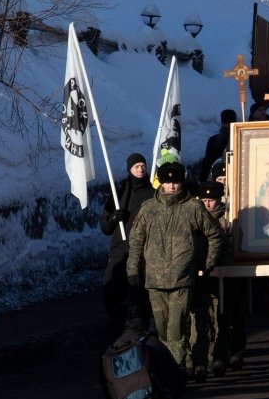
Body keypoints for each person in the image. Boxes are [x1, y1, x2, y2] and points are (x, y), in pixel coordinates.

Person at [126, 161, 224, 380]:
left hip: (182, 279)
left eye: (176, 182)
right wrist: (133, 270)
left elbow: (214, 235)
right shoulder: (149, 208)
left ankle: (175, 372)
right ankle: (172, 368)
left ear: (182, 183)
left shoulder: (193, 207)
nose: (171, 186)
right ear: (161, 183)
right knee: (162, 331)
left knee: (176, 330)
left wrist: (206, 264)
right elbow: (136, 240)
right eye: (167, 182)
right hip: (154, 280)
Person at [100, 153, 156, 336]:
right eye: (136, 166)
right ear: (129, 169)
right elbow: (105, 227)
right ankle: (119, 326)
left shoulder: (152, 194)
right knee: (112, 290)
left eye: (143, 166)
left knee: (139, 293)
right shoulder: (119, 192)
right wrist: (114, 218)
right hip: (119, 249)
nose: (140, 169)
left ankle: (141, 329)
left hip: (142, 251)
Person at [198, 181, 246, 374]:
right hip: (206, 274)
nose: (208, 204)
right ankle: (214, 356)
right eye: (205, 200)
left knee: (229, 315)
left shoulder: (229, 218)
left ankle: (233, 352)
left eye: (212, 200)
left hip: (229, 273)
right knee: (209, 317)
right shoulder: (198, 218)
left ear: (219, 200)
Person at [200, 109, 236, 181]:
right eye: (226, 124)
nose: (228, 126)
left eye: (230, 124)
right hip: (217, 177)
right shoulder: (213, 140)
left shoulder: (238, 139)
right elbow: (207, 163)